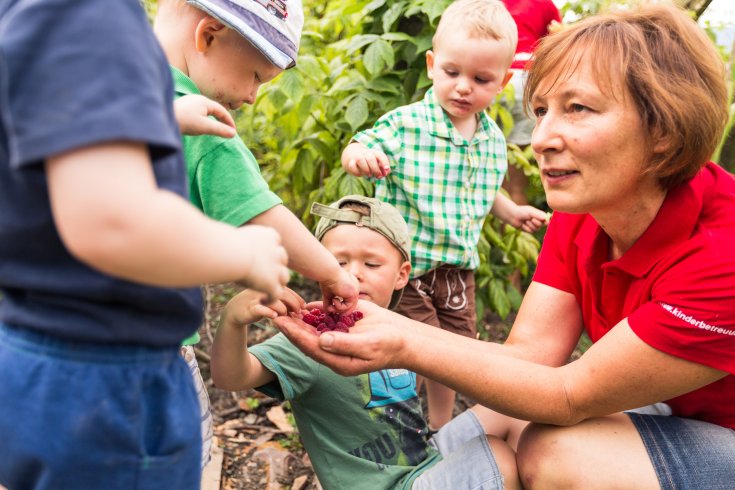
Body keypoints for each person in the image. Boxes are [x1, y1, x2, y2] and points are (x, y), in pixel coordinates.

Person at [276, 3, 735, 489]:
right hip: (674, 407)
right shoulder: (586, 213)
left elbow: (566, 394)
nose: (539, 139)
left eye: (577, 108)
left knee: (558, 452)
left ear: (662, 132)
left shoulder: (721, 257)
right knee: (493, 421)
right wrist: (381, 320)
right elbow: (532, 357)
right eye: (541, 110)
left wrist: (403, 343)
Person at [0, 0, 291, 488]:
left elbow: (43, 136)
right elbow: (112, 222)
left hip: (34, 351)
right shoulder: (95, 15)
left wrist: (160, 114)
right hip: (107, 383)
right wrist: (244, 252)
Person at [153, 0, 359, 467]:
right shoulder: (201, 123)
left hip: (51, 336)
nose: (251, 97)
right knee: (180, 465)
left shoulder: (98, 89)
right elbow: (261, 215)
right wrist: (333, 274)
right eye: (256, 77)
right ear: (208, 35)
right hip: (150, 349)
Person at [211, 195, 521, 490]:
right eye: (337, 264)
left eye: (371, 265)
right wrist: (232, 322)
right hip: (389, 486)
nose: (353, 275)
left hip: (422, 460)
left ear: (401, 275)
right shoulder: (312, 339)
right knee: (498, 459)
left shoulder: (399, 331)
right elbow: (231, 378)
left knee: (513, 411)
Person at [340, 0, 547, 431]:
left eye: (481, 79)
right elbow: (360, 143)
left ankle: (438, 427)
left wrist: (511, 212)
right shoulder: (407, 124)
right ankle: (394, 422)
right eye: (452, 73)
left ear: (504, 81)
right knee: (411, 346)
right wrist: (359, 155)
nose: (463, 87)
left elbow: (482, 190)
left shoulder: (491, 137)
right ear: (433, 65)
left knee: (454, 350)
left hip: (457, 269)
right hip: (406, 267)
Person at [500, 0, 561, 205]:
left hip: (499, 78)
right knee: (517, 181)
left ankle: (495, 231)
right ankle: (518, 232)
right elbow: (558, 39)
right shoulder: (544, 4)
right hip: (529, 78)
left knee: (497, 181)